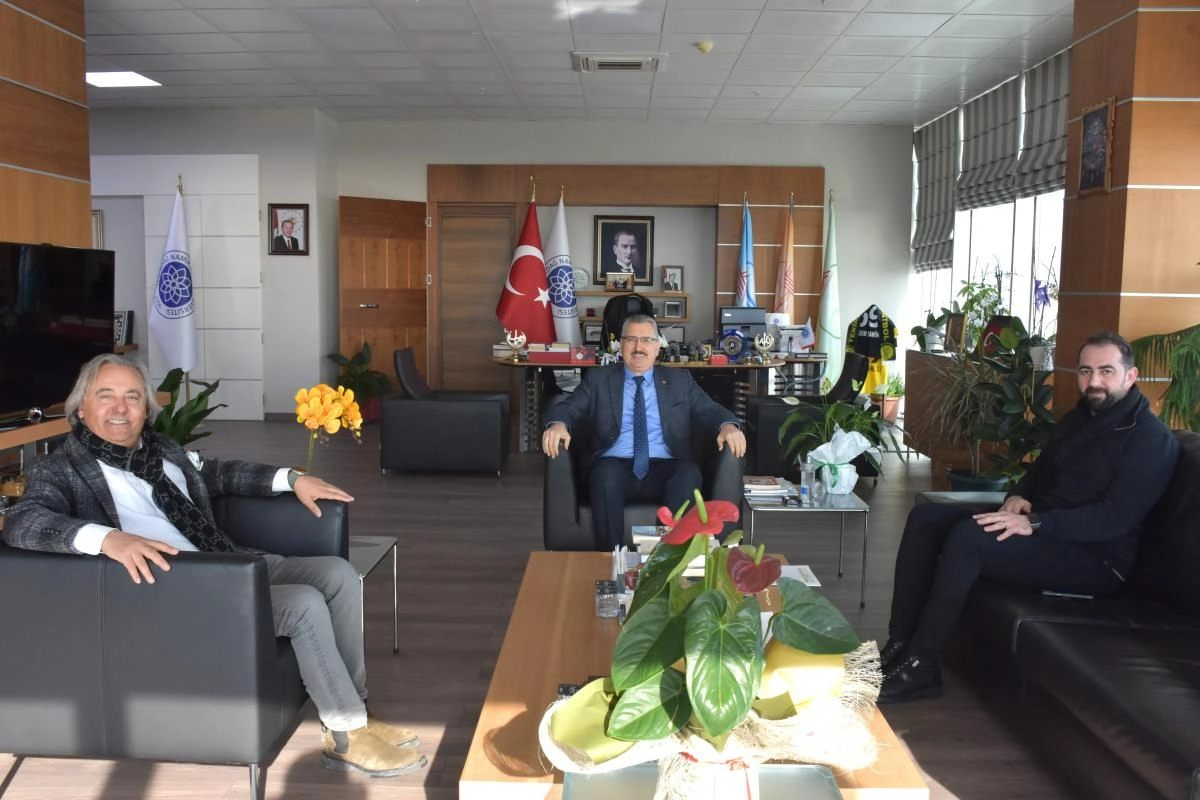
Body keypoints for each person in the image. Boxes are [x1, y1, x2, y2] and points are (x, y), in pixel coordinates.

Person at [1, 354, 428, 778]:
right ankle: (346, 733)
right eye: (106, 395)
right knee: (302, 605)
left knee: (337, 575)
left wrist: (291, 479)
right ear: (81, 407)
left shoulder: (159, 449)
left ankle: (357, 710)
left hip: (222, 563)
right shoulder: (58, 468)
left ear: (146, 409)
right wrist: (109, 539)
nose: (120, 408)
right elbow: (23, 522)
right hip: (171, 589)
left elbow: (220, 473)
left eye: (132, 397)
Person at [878, 331, 1180, 703]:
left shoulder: (1150, 440)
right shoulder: (1079, 418)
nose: (1094, 382)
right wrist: (1018, 496)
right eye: (1085, 371)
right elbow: (1038, 472)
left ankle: (922, 666)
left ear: (1130, 376)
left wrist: (1034, 523)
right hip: (1047, 530)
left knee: (970, 539)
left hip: (1097, 559)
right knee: (926, 520)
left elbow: (1113, 519)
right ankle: (899, 645)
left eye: (1106, 371)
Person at [542, 314, 746, 550]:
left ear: (657, 346)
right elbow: (568, 408)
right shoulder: (599, 379)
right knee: (605, 476)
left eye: (646, 340)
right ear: (621, 345)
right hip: (614, 466)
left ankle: (667, 555)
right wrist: (558, 424)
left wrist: (728, 425)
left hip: (665, 467)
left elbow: (710, 410)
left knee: (688, 474)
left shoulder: (679, 380)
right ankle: (611, 557)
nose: (638, 347)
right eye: (631, 339)